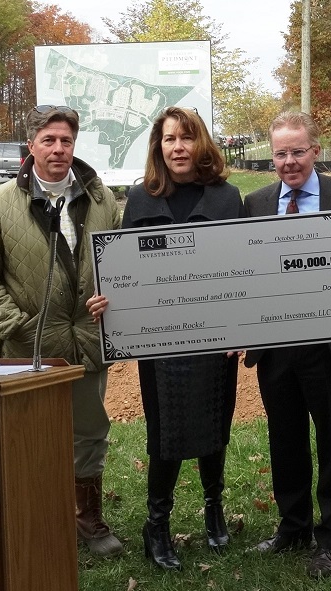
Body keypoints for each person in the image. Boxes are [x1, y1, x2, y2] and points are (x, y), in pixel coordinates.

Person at [88, 107, 245, 570]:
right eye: (169, 139)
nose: (177, 147)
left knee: (217, 423)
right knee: (166, 432)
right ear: (158, 146)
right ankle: (157, 522)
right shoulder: (139, 199)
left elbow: (242, 268)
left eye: (186, 138)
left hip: (215, 339)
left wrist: (244, 324)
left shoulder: (226, 198)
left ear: (202, 145)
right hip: (161, 345)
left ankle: (213, 506)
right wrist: (107, 301)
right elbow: (119, 271)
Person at [0, 105, 123, 557]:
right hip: (27, 345)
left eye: (66, 141)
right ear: (31, 146)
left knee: (89, 431)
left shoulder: (100, 198)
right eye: (48, 141)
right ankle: (32, 517)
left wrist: (113, 297)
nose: (58, 149)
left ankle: (87, 517)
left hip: (88, 339)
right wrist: (16, 324)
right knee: (25, 435)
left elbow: (121, 262)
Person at [244, 111, 331, 578]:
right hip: (275, 347)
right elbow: (243, 269)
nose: (289, 162)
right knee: (285, 441)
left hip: (328, 347)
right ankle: (293, 527)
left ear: (315, 152)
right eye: (280, 153)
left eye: (298, 152)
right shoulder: (255, 203)